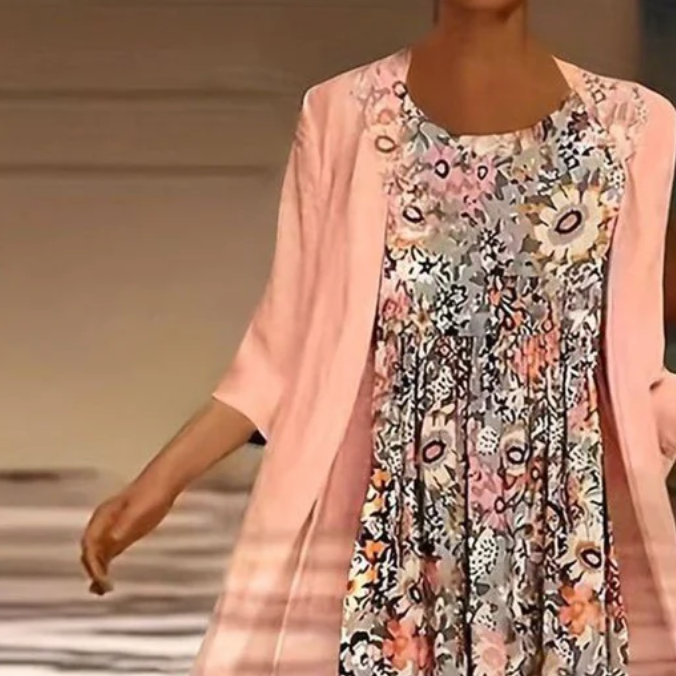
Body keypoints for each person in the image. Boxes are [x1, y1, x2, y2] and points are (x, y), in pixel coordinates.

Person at [81, 0, 676, 673]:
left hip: (560, 549)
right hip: (398, 547)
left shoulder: (632, 126)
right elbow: (280, 353)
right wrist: (157, 485)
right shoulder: (343, 117)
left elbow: (636, 378)